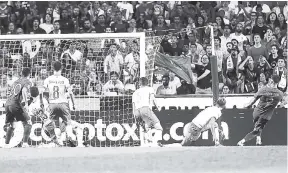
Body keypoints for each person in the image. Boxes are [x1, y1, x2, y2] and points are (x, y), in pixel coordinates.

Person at [237, 75, 286, 146]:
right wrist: (277, 105)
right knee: (256, 130)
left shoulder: (263, 89)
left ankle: (258, 140)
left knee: (258, 127)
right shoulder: (280, 93)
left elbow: (253, 100)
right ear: (278, 82)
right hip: (265, 115)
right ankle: (242, 141)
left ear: (271, 80)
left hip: (256, 112)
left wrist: (247, 105)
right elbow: (284, 102)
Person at [43, 61, 76, 145]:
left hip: (52, 104)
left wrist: (44, 104)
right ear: (61, 68)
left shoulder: (48, 79)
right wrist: (74, 103)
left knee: (56, 125)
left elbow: (43, 92)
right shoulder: (65, 80)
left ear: (52, 68)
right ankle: (71, 138)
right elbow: (70, 93)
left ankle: (59, 141)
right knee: (68, 123)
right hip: (63, 104)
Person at [4, 68, 32, 148]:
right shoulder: (27, 81)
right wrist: (26, 103)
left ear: (21, 74)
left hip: (8, 103)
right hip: (15, 104)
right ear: (29, 74)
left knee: (12, 125)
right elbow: (23, 91)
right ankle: (25, 143)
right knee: (28, 123)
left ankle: (6, 144)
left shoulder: (15, 81)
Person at [132, 77, 162, 147]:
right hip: (145, 109)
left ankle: (146, 144)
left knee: (146, 129)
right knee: (159, 127)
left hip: (136, 112)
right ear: (148, 83)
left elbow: (133, 106)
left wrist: (135, 117)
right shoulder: (150, 89)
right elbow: (152, 98)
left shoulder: (135, 92)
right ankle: (154, 143)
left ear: (139, 83)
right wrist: (158, 107)